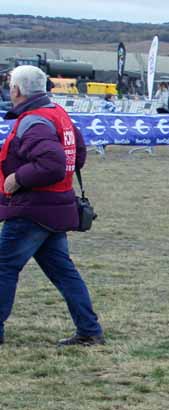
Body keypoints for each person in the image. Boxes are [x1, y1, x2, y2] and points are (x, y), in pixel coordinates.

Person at [0, 65, 104, 347]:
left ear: (16, 90)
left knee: (4, 267)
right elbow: (77, 156)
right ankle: (89, 330)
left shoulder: (33, 121)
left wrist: (17, 178)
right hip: (56, 207)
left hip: (32, 209)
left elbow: (53, 164)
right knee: (63, 272)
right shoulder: (58, 113)